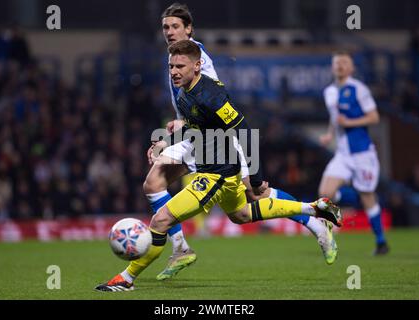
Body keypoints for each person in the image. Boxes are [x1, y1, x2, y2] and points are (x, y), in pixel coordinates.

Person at [95, 40, 342, 291]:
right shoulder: (184, 93)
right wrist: (165, 142)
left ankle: (126, 279)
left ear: (198, 65)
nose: (175, 71)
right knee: (241, 215)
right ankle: (315, 209)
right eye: (171, 66)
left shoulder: (211, 95)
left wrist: (255, 178)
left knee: (161, 220)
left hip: (217, 174)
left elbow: (243, 131)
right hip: (215, 169)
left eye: (181, 65)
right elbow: (195, 129)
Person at [144, 3, 339, 281]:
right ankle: (180, 248)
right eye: (166, 27)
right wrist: (174, 129)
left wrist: (179, 131)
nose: (170, 32)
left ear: (189, 29)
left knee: (254, 195)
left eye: (176, 26)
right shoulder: (174, 59)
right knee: (153, 183)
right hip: (196, 136)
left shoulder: (198, 61)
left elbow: (215, 110)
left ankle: (316, 223)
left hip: (218, 137)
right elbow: (190, 109)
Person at [319, 51, 389, 255]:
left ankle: (381, 241)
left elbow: (374, 117)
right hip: (343, 154)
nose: (340, 65)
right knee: (325, 194)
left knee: (367, 195)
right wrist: (329, 134)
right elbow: (335, 117)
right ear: (332, 67)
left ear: (351, 68)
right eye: (337, 62)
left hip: (362, 154)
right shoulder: (329, 92)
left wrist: (349, 122)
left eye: (344, 62)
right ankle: (330, 237)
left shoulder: (359, 90)